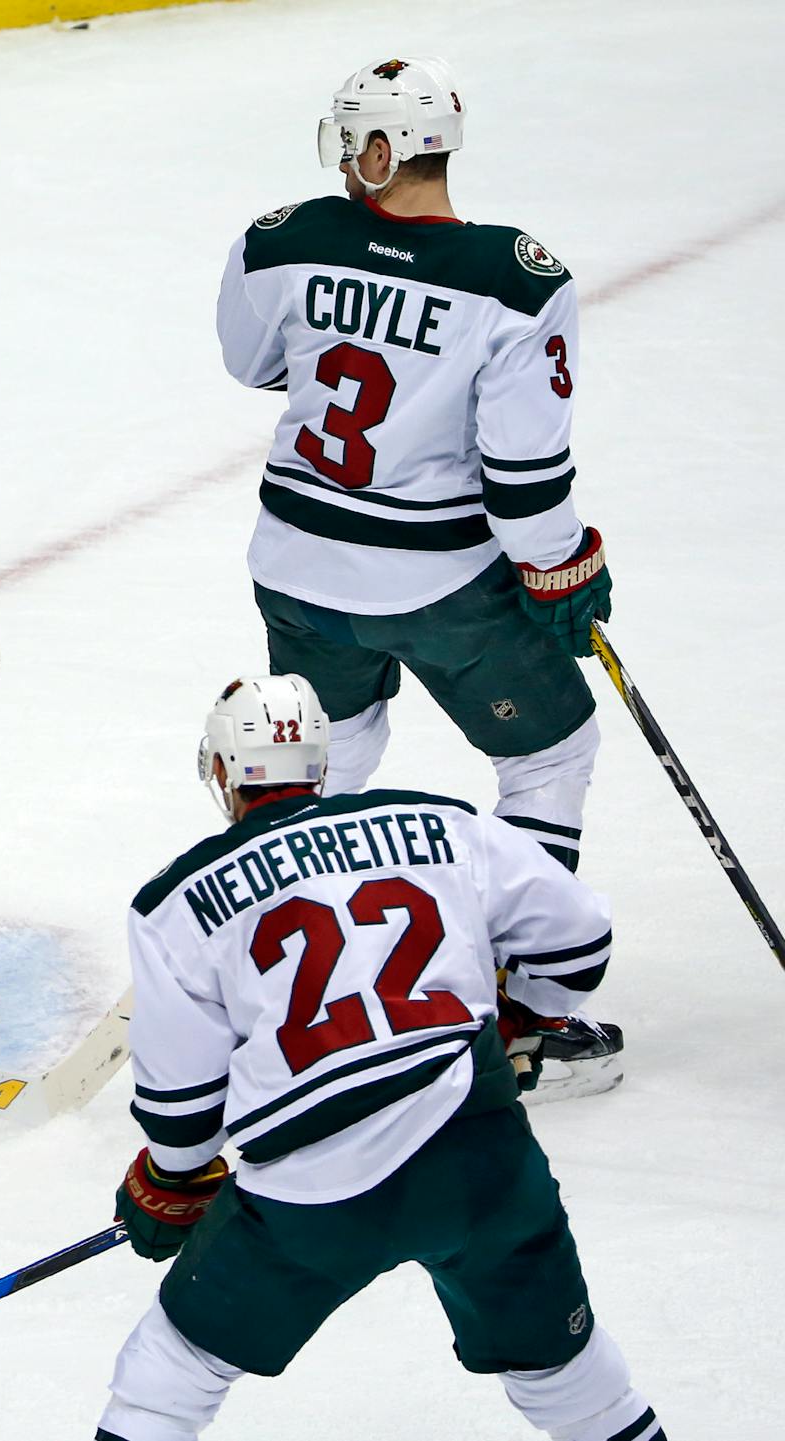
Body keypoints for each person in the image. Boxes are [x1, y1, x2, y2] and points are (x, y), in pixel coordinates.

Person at [94, 675, 663, 1441]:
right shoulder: (441, 823)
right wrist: (521, 1017)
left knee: (168, 1378)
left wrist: (170, 1177)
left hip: (314, 1193)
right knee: (575, 1384)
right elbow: (580, 936)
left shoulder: (176, 901)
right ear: (322, 762)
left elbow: (184, 1107)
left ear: (222, 770)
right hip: (482, 1160)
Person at [215, 56, 621, 1091]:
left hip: (296, 570)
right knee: (551, 751)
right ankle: (530, 1009)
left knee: (326, 762)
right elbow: (523, 481)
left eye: (353, 139)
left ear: (380, 149)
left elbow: (252, 363)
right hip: (440, 587)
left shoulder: (282, 241)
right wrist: (562, 566)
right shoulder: (516, 281)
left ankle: (289, 989)